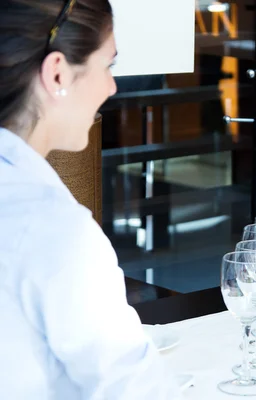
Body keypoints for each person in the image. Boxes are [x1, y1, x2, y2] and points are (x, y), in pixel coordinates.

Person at [0, 0, 181, 398]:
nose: (112, 87)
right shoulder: (54, 229)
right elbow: (133, 389)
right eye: (108, 65)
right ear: (58, 72)